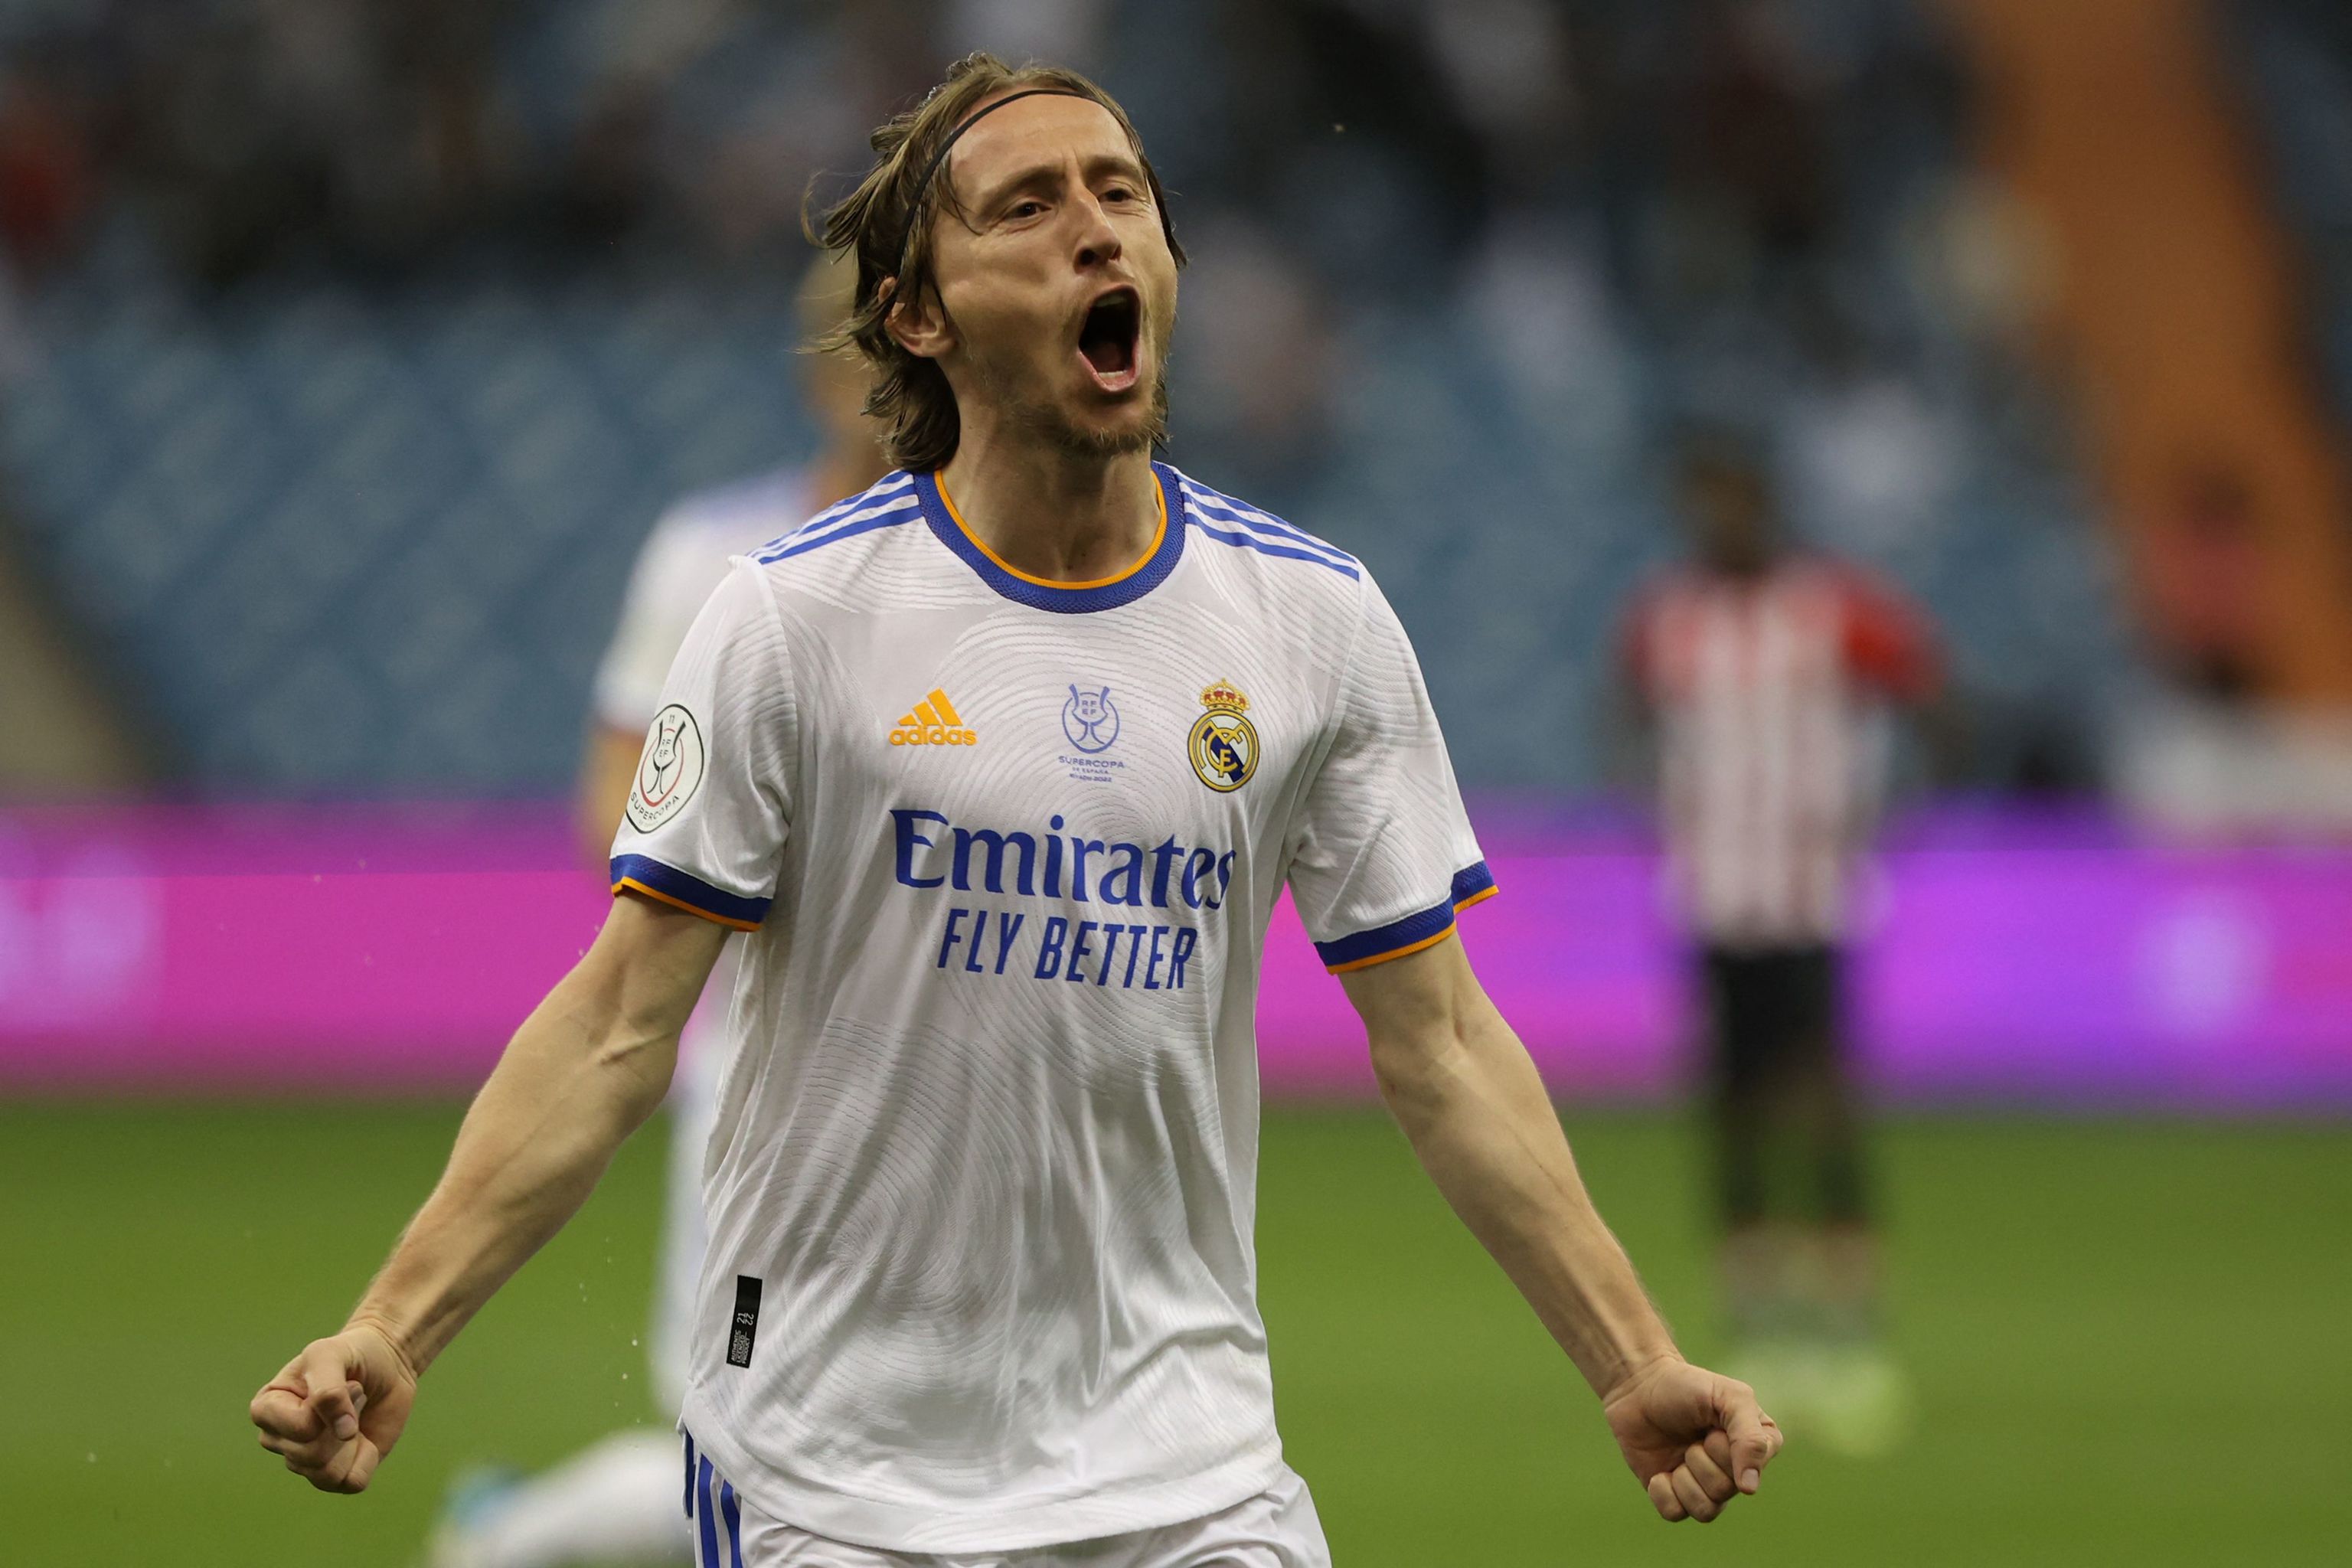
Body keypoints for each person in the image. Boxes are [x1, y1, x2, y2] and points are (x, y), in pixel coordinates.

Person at [253, 55, 1781, 1565]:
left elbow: (1442, 1044)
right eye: (1029, 206)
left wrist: (1632, 1354)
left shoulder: (1316, 623)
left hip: (1192, 1475)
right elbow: (616, 1027)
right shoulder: (792, 618)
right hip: (835, 1481)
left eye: (1122, 193)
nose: (1095, 229)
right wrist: (395, 1321)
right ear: (920, 315)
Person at [422, 250, 890, 1568]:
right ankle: (519, 1535)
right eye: (857, 358)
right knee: (741, 1453)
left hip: (945, 1067)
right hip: (759, 1067)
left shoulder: (983, 574)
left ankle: (517, 1527)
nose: (885, 387)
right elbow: (611, 809)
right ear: (822, 376)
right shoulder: (716, 557)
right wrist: (774, 878)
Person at [1619, 430, 1941, 1458]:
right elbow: (1624, 711)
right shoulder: (1671, 617)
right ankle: (1761, 1325)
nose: (1720, 522)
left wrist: (1881, 811)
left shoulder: (1831, 609)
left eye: (1733, 500)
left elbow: (1936, 699)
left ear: (1765, 502)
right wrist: (1663, 805)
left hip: (1809, 901)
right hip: (1717, 898)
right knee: (1735, 1105)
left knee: (1822, 1100)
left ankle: (1848, 1330)